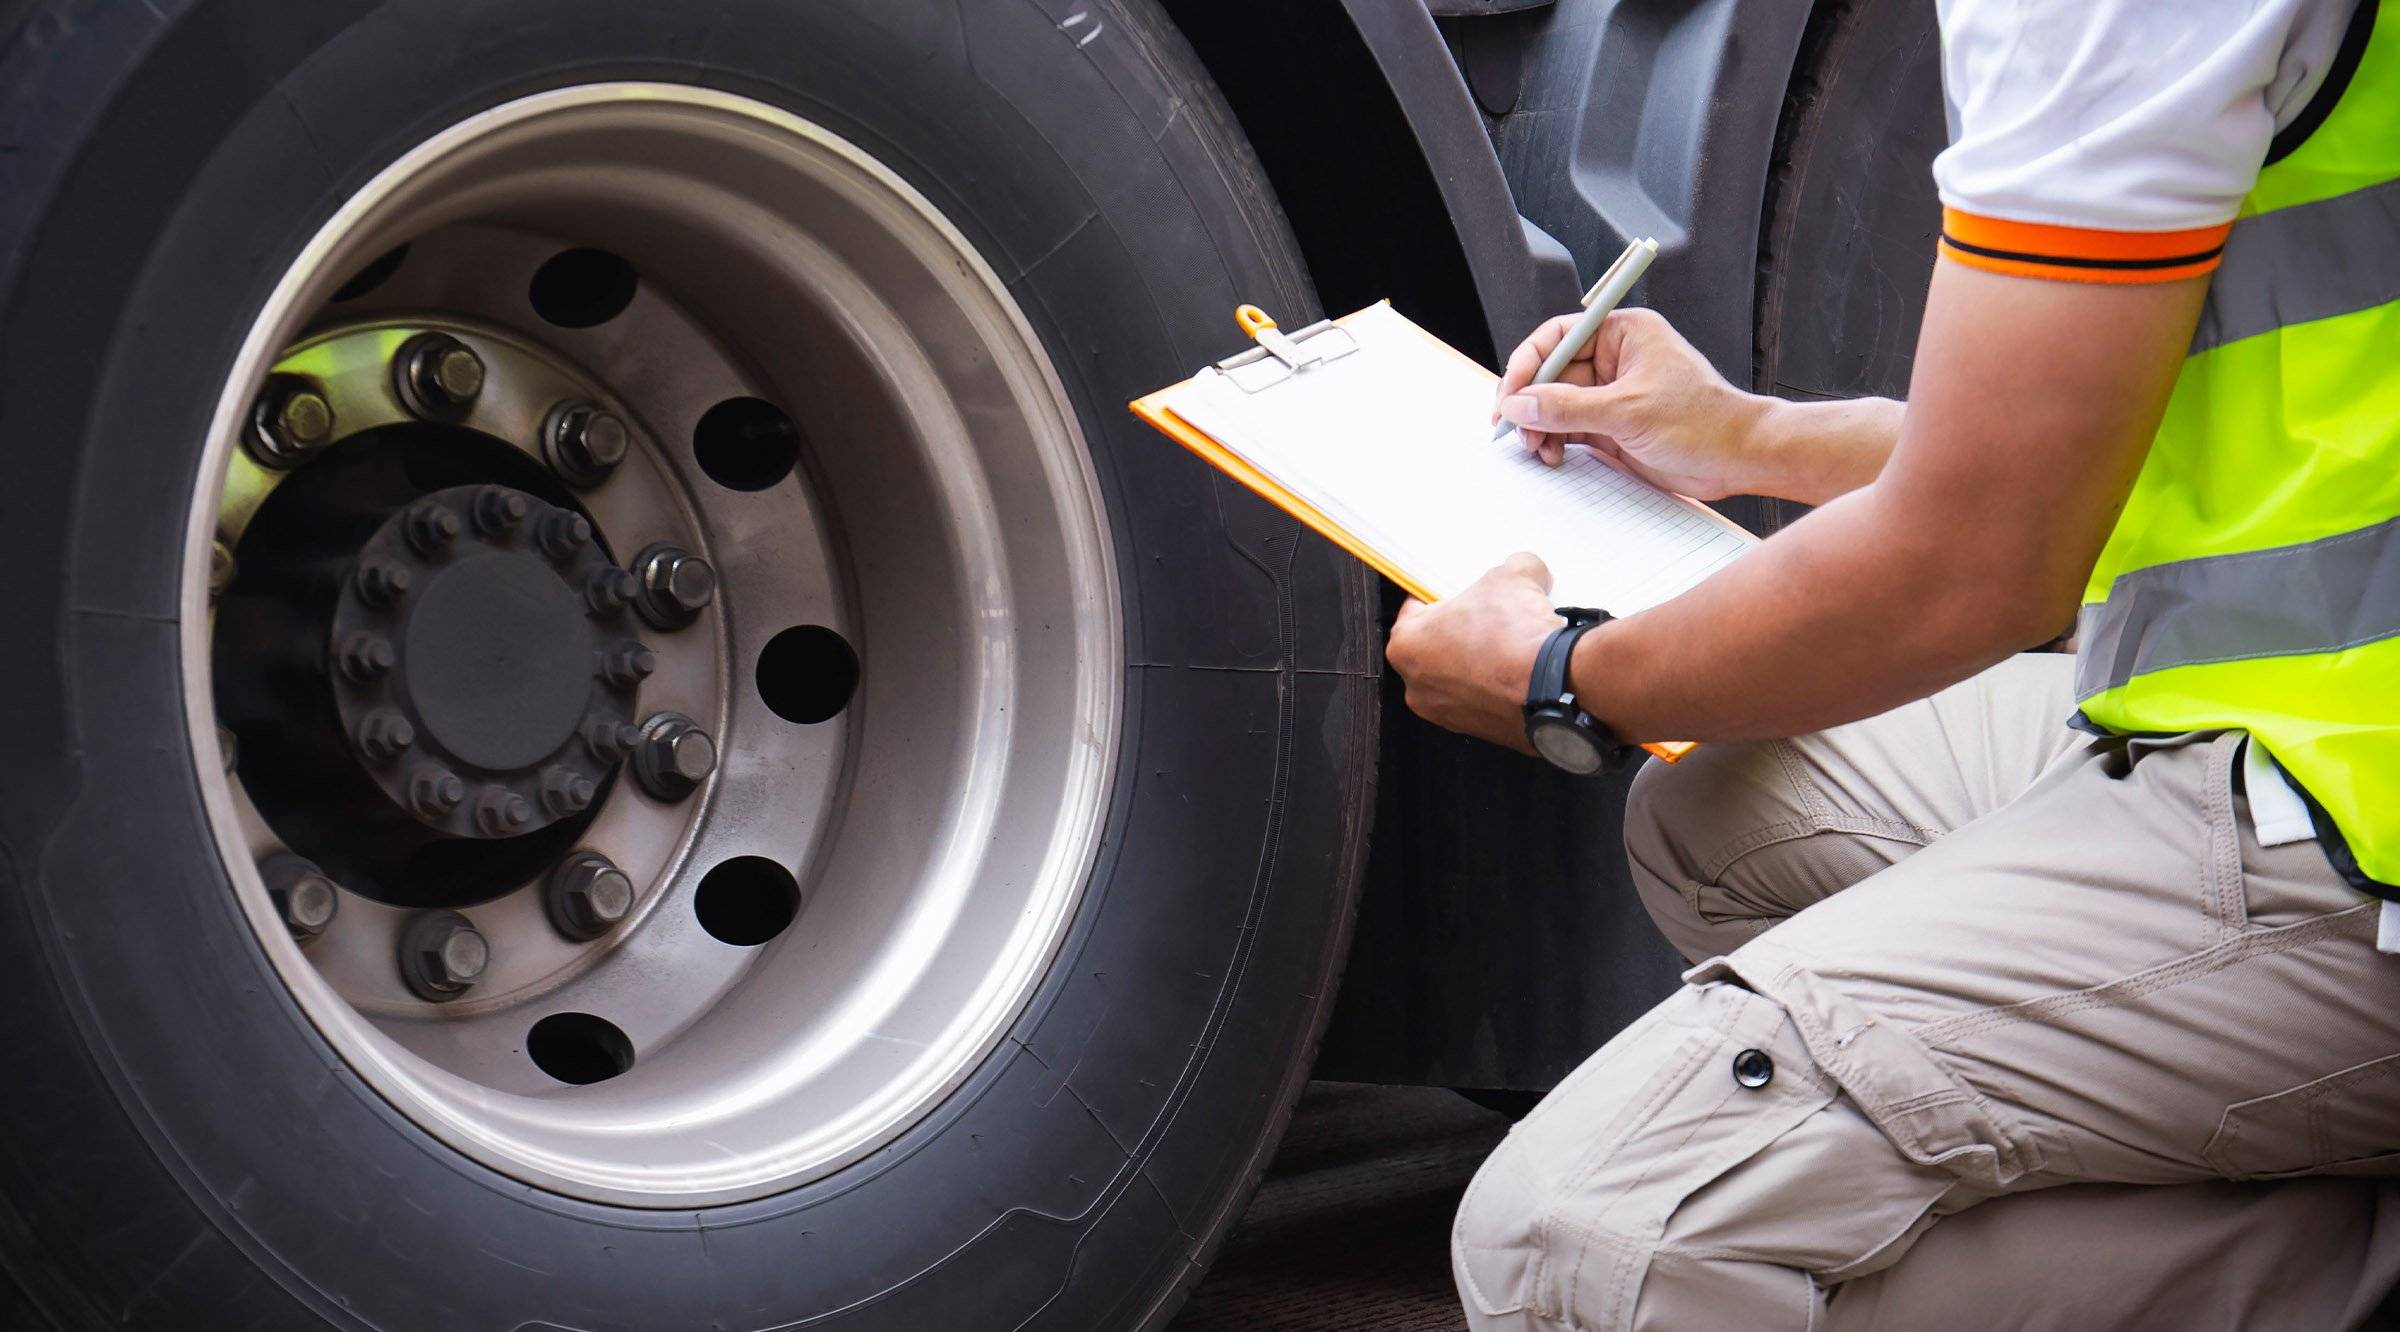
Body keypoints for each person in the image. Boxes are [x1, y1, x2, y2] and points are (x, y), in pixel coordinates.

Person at [1385, 0, 2400, 1326]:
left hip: (2353, 817)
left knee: (1586, 1243)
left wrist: (1566, 686)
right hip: (2331, 727)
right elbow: (2138, 436)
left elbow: (1973, 568)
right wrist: (1754, 436)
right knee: (1734, 816)